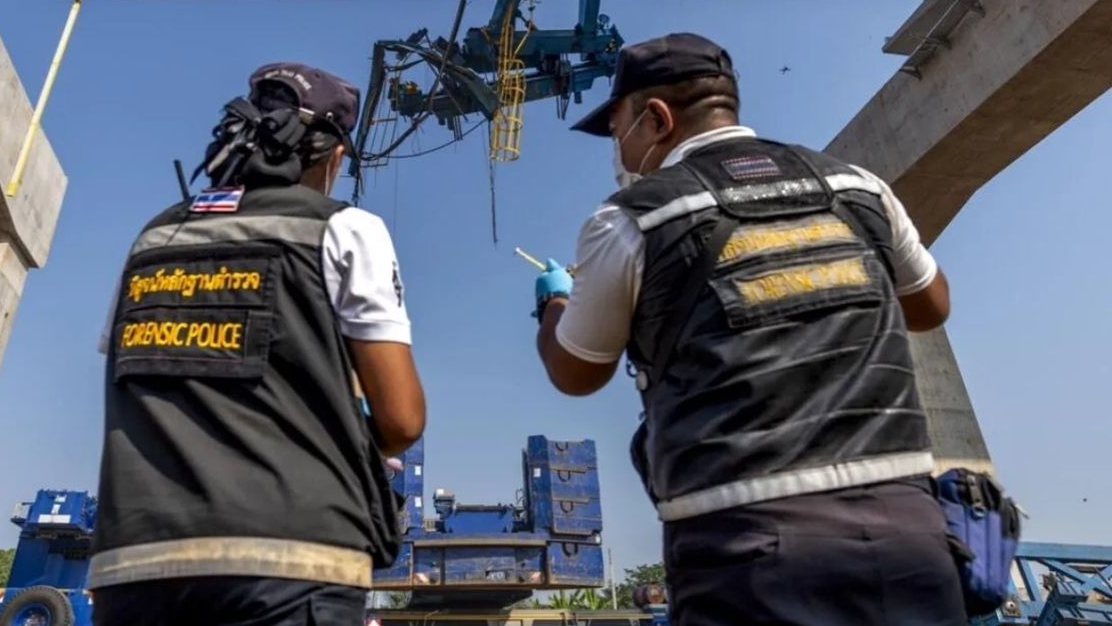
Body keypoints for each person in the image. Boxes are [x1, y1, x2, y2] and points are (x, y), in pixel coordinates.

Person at [531, 33, 965, 625]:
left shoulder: (631, 219)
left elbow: (576, 372)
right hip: (908, 532)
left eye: (617, 132)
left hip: (745, 545)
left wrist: (554, 302)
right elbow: (930, 306)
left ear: (655, 119)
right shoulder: (859, 187)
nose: (619, 151)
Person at [88, 63, 426, 626]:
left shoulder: (155, 235)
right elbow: (402, 419)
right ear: (334, 156)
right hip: (292, 555)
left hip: (136, 558)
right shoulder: (344, 228)